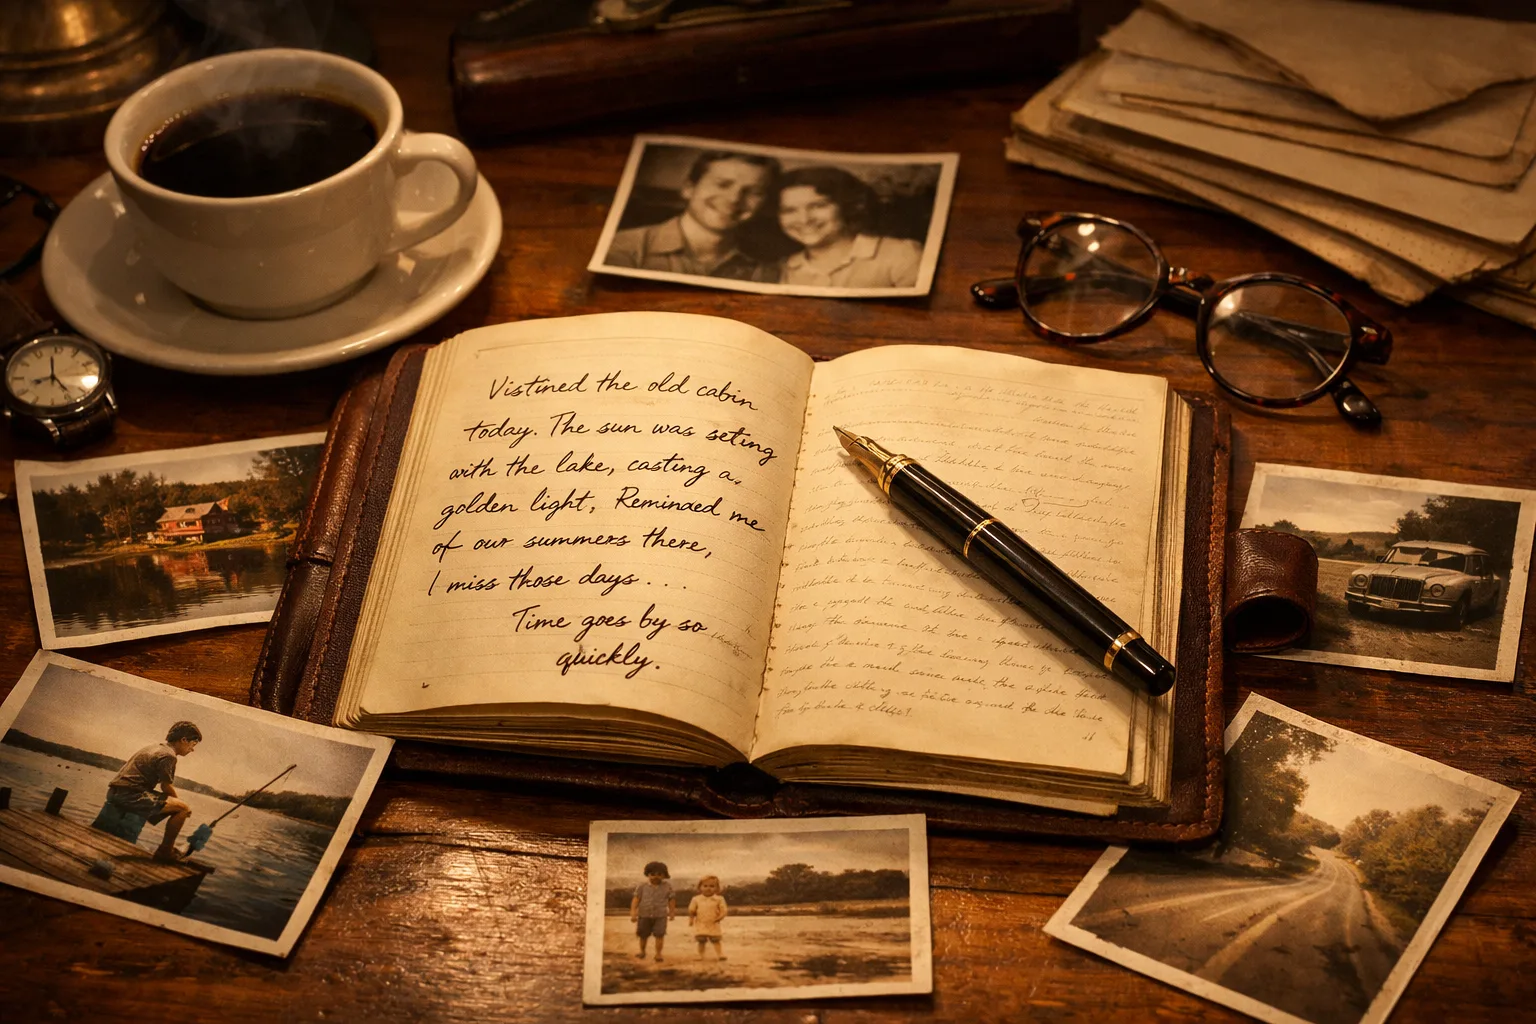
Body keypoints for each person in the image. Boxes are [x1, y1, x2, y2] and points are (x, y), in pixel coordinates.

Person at [606, 151, 779, 281]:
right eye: (722, 184)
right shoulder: (624, 248)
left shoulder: (766, 269)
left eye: (754, 192)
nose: (734, 199)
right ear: (689, 188)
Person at [774, 165, 923, 289]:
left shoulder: (901, 255)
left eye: (818, 205)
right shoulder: (785, 268)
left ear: (847, 206)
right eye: (789, 210)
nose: (804, 219)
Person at [104, 720, 201, 863]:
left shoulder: (155, 747)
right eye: (193, 745)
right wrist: (180, 806)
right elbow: (165, 787)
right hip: (129, 795)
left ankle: (164, 848)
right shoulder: (169, 756)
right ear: (184, 740)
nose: (192, 750)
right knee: (183, 809)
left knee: (177, 806)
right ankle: (165, 852)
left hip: (115, 791)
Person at [629, 860, 676, 961]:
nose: (655, 876)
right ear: (647, 874)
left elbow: (671, 900)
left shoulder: (667, 886)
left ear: (664, 875)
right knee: (643, 935)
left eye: (659, 874)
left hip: (660, 916)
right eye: (652, 874)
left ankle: (658, 954)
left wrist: (672, 912)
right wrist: (633, 912)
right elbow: (636, 899)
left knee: (660, 935)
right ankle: (642, 952)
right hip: (644, 915)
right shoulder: (642, 886)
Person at [688, 874, 728, 961]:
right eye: (705, 886)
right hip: (701, 922)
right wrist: (691, 919)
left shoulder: (719, 899)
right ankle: (700, 955)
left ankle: (720, 954)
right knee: (701, 940)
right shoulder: (696, 899)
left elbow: (724, 910)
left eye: (712, 886)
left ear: (717, 888)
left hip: (713, 922)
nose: (708, 888)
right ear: (700, 887)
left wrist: (720, 917)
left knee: (716, 939)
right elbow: (692, 910)